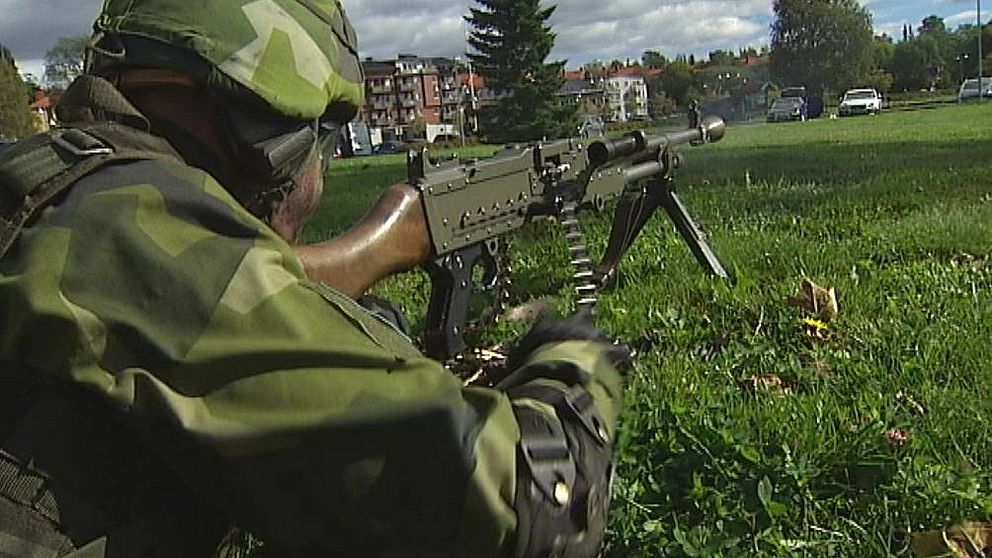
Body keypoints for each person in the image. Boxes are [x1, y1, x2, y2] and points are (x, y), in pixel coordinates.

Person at [0, 1, 625, 557]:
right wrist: (574, 355)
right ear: (271, 142)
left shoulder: (40, 187)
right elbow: (532, 507)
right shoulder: (140, 237)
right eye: (321, 142)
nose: (319, 181)